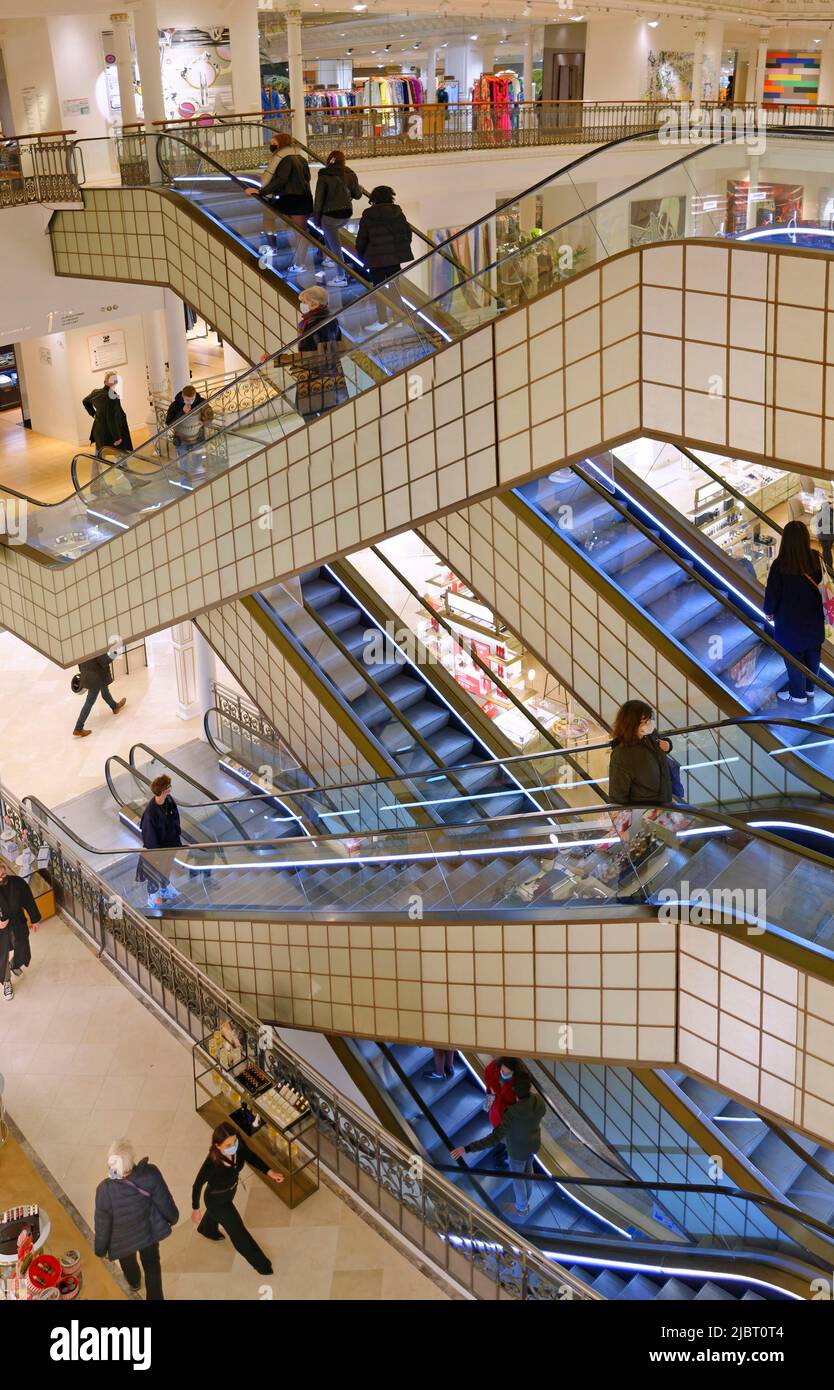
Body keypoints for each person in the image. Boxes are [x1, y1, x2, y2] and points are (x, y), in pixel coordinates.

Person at [191, 1121, 284, 1275]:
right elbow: (197, 1185)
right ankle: (261, 1265)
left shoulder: (238, 1147)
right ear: (217, 1146)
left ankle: (206, 1229)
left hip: (230, 1192)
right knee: (238, 1232)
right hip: (215, 1200)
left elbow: (251, 1157)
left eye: (234, 1142)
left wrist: (270, 1172)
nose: (233, 1147)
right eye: (228, 1145)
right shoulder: (211, 1163)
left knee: (220, 1217)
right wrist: (195, 1208)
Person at [451, 1072, 546, 1220]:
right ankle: (526, 1201)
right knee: (528, 1171)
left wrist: (467, 1148)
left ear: (516, 1095)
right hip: (532, 1144)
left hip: (518, 1151)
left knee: (518, 1177)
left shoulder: (512, 1112)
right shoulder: (538, 1100)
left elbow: (494, 1138)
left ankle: (521, 1208)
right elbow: (541, 1112)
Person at [94, 1139, 179, 1301]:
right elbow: (165, 1201)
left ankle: (134, 1282)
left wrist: (101, 1250)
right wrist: (172, 1219)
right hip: (148, 1234)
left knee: (128, 1261)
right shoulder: (151, 1174)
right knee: (152, 1265)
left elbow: (102, 1225)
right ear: (131, 1159)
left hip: (122, 1241)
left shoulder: (104, 1189)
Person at [764, 518, 825, 705]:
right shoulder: (815, 558)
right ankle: (809, 690)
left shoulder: (780, 565)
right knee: (813, 654)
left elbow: (772, 594)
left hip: (789, 624)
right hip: (814, 620)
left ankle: (797, 696)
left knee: (793, 660)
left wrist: (768, 611)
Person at [248, 131, 313, 274]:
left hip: (292, 199)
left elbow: (281, 180)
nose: (271, 146)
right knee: (300, 232)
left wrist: (261, 191)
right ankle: (299, 262)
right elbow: (307, 178)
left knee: (293, 230)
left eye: (273, 143)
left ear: (281, 144)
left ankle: (278, 249)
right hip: (304, 198)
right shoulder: (300, 158)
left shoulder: (285, 159)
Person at [279, 286, 346, 422]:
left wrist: (279, 360)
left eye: (304, 302)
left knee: (310, 412)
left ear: (313, 304)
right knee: (324, 412)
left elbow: (313, 355)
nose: (302, 305)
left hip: (316, 378)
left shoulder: (315, 325)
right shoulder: (329, 319)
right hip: (328, 376)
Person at [355, 186, 413, 328]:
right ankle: (396, 318)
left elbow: (362, 238)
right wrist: (399, 250)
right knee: (395, 288)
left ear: (374, 198)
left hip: (376, 260)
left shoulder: (368, 214)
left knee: (379, 290)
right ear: (390, 197)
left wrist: (363, 256)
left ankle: (382, 321)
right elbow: (407, 233)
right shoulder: (397, 212)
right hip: (394, 258)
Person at [608, 701, 674, 806]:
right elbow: (617, 798)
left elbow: (660, 745)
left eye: (649, 719)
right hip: (644, 812)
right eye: (644, 722)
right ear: (631, 724)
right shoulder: (622, 755)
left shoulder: (649, 735)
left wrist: (668, 745)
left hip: (664, 802)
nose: (649, 724)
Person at [313, 150, 362, 287]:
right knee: (331, 235)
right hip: (345, 216)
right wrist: (359, 187)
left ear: (329, 160)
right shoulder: (351, 175)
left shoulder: (324, 176)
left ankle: (341, 277)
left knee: (336, 247)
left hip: (330, 217)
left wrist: (317, 220)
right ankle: (328, 258)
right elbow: (357, 195)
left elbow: (318, 200)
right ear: (343, 161)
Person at [137, 774, 182, 911]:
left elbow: (175, 818)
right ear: (164, 790)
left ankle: (164, 888)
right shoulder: (151, 813)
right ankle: (152, 896)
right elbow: (149, 836)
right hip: (157, 849)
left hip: (170, 843)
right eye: (168, 786)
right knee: (154, 871)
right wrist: (157, 852)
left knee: (167, 867)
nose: (170, 788)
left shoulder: (169, 800)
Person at [0, 860, 42, 1002]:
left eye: (3, 874)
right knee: (2, 955)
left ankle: (15, 964)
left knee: (23, 948)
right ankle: (6, 982)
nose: (2, 879)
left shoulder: (17, 883)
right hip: (1, 929)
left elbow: (28, 900)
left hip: (18, 922)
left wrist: (35, 919)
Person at [82, 372, 133, 464]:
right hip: (111, 432)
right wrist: (117, 437)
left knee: (99, 455)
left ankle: (96, 477)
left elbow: (85, 401)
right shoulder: (112, 397)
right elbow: (111, 419)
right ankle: (131, 478)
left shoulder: (95, 392)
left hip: (99, 430)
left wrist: (93, 414)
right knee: (120, 456)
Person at [72, 653, 126, 738]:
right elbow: (104, 661)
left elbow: (79, 663)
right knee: (89, 702)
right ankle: (78, 728)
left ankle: (115, 707)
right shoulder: (96, 646)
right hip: (97, 677)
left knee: (105, 692)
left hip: (89, 675)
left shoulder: (82, 645)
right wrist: (114, 654)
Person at [483, 1056, 519, 1165]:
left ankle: (502, 1155)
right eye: (503, 1070)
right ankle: (502, 1155)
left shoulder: (518, 1083)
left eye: (507, 1073)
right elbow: (489, 1089)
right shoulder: (492, 1068)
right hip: (496, 1114)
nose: (504, 1073)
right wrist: (487, 1106)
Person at [165, 382, 206, 458]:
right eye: (187, 399)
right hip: (181, 440)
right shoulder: (174, 405)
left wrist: (204, 422)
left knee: (198, 461)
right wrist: (182, 412)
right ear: (182, 396)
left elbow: (209, 415)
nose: (190, 402)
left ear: (195, 395)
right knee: (183, 462)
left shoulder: (201, 402)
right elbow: (169, 423)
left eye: (192, 399)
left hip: (198, 438)